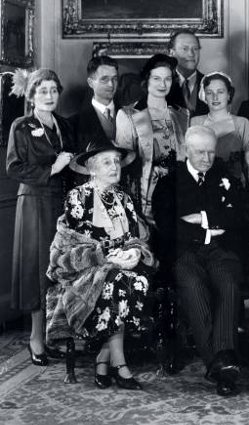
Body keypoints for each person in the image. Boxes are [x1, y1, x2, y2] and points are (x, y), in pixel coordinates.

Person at [46, 139, 153, 391]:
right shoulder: (77, 198)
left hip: (121, 266)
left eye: (116, 161)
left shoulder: (124, 198)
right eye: (107, 162)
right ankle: (120, 364)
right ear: (92, 168)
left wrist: (135, 253)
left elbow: (134, 239)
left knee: (137, 279)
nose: (114, 166)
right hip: (84, 270)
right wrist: (106, 257)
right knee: (120, 282)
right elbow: (69, 247)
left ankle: (102, 359)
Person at [152, 125, 246, 396]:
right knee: (194, 288)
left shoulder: (225, 176)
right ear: (186, 152)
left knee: (228, 284)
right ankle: (221, 364)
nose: (207, 158)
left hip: (221, 250)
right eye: (200, 152)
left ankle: (221, 360)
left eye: (211, 152)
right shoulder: (169, 182)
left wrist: (200, 218)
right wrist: (212, 223)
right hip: (184, 253)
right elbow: (168, 226)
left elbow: (238, 217)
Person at [6, 68, 75, 366]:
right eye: (42, 90)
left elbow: (72, 162)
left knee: (59, 269)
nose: (49, 96)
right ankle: (36, 338)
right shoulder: (22, 126)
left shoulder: (64, 125)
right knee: (38, 268)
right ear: (32, 94)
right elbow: (14, 167)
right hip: (34, 202)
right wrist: (53, 170)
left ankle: (52, 334)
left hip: (62, 202)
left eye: (53, 90)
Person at [115, 53, 189, 227]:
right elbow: (123, 164)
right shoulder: (128, 115)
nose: (162, 84)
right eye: (156, 78)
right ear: (146, 80)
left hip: (178, 195)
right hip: (144, 197)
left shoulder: (182, 115)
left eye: (167, 79)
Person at [190, 72, 249, 189]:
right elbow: (189, 160)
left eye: (220, 92)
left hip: (235, 189)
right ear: (204, 95)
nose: (215, 97)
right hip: (203, 188)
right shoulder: (195, 123)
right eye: (210, 93)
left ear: (229, 95)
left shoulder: (242, 123)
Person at [73, 56, 119, 152]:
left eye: (114, 79)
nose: (111, 84)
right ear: (90, 83)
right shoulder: (74, 123)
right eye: (104, 79)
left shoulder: (132, 115)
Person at [168, 30, 209, 116]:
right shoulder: (161, 85)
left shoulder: (210, 83)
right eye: (185, 49)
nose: (191, 54)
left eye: (195, 49)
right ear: (172, 53)